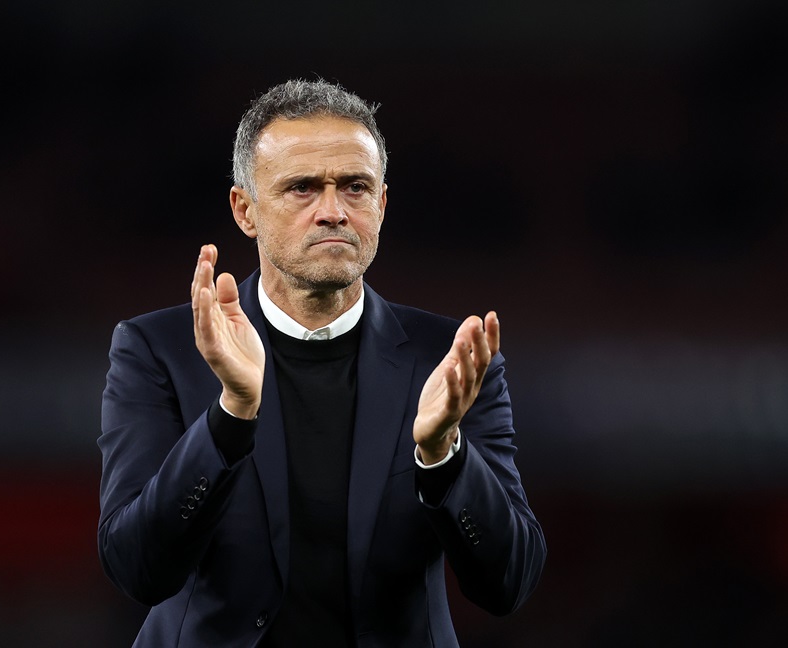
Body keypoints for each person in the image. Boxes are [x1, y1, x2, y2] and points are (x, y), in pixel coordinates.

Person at [98, 79, 545, 647]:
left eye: (355, 187)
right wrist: (231, 418)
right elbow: (136, 569)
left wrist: (444, 458)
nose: (332, 212)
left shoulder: (451, 357)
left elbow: (509, 583)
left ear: (381, 204)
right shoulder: (157, 349)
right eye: (302, 188)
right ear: (245, 210)